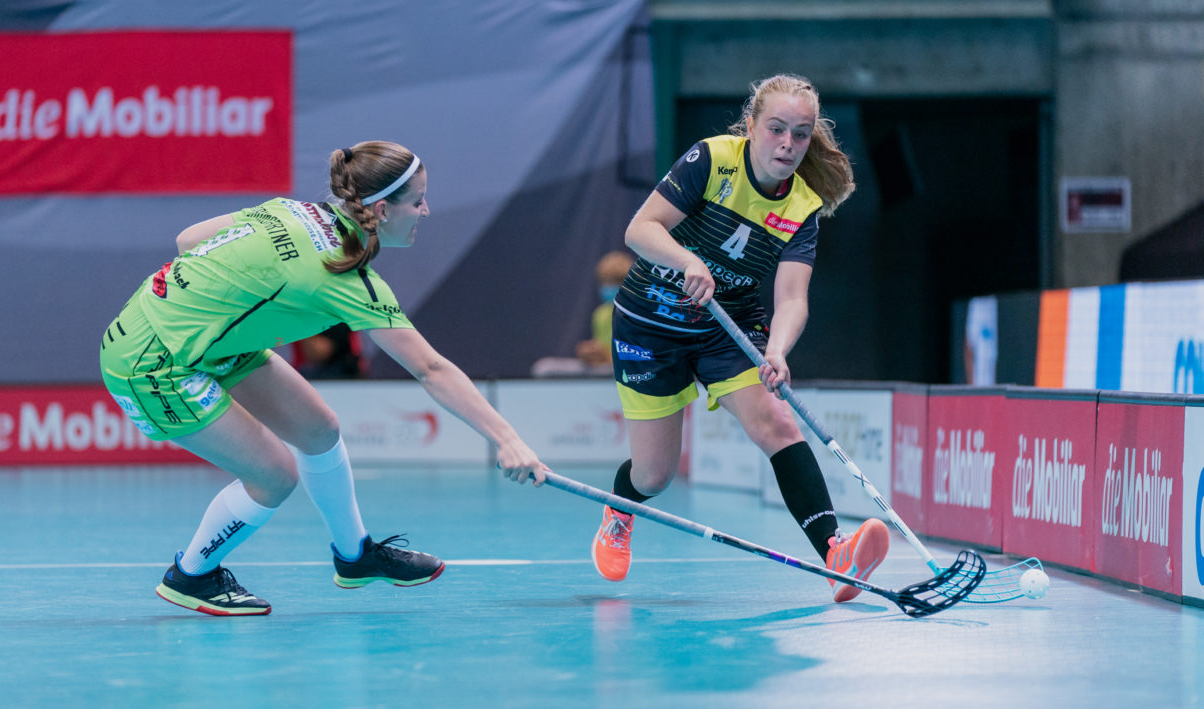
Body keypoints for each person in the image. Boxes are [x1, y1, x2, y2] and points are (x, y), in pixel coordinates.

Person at [100, 141, 548, 616]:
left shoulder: (290, 210)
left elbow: (188, 240)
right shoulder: (345, 279)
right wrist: (507, 440)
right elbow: (430, 368)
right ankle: (192, 575)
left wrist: (227, 296)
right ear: (381, 210)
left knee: (319, 430)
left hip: (198, 336)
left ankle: (355, 556)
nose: (425, 211)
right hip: (154, 362)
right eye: (417, 201)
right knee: (274, 475)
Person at [590, 73, 890, 602]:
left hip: (726, 325)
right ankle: (619, 512)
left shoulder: (801, 207)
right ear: (751, 126)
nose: (788, 144)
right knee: (654, 476)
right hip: (650, 322)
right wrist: (687, 261)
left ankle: (835, 554)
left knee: (778, 423)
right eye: (776, 129)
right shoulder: (712, 161)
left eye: (800, 134)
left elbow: (792, 298)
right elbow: (640, 229)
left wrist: (776, 350)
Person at [574, 250, 636, 368]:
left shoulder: (639, 313)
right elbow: (601, 349)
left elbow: (644, 359)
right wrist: (592, 353)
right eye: (605, 281)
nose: (609, 286)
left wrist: (607, 357)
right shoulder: (600, 314)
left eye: (615, 281)